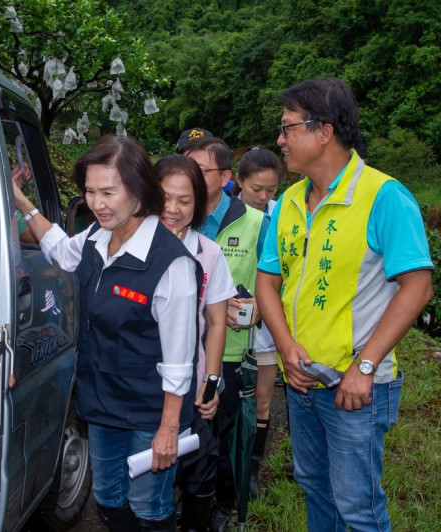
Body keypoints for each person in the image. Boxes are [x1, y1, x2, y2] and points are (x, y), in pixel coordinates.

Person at [255, 77, 433, 531]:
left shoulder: (383, 196)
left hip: (356, 387)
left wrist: (366, 367)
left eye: (287, 128)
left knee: (358, 509)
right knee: (316, 489)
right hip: (302, 382)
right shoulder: (289, 202)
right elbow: (267, 281)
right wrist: (285, 345)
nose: (280, 141)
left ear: (324, 131)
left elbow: (417, 287)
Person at [12, 135, 202, 531]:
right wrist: (20, 200)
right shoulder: (97, 239)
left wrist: (168, 429)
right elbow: (61, 250)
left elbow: (180, 360)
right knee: (109, 499)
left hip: (151, 412)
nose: (97, 203)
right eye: (90, 191)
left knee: (148, 508)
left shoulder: (172, 264)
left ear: (139, 191)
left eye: (109, 192)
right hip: (103, 403)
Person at [178, 134, 267, 530]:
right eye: (183, 164)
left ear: (225, 176)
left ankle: (221, 503)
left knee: (217, 432)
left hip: (228, 352)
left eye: (199, 169)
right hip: (178, 351)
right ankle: (192, 499)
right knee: (183, 431)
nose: (188, 175)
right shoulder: (172, 218)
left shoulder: (257, 223)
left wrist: (258, 310)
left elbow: (279, 283)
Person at [154, 154, 237, 532]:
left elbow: (217, 320)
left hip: (192, 383)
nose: (172, 209)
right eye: (164, 197)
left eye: (184, 201)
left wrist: (213, 379)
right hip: (143, 384)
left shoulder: (209, 252)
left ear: (198, 203)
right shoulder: (132, 244)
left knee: (200, 467)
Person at [230, 146, 282, 497]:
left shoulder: (282, 217)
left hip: (264, 328)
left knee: (261, 400)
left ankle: (250, 470)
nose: (264, 198)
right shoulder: (222, 215)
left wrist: (266, 305)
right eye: (256, 190)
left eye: (271, 191)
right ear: (238, 182)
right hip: (226, 324)